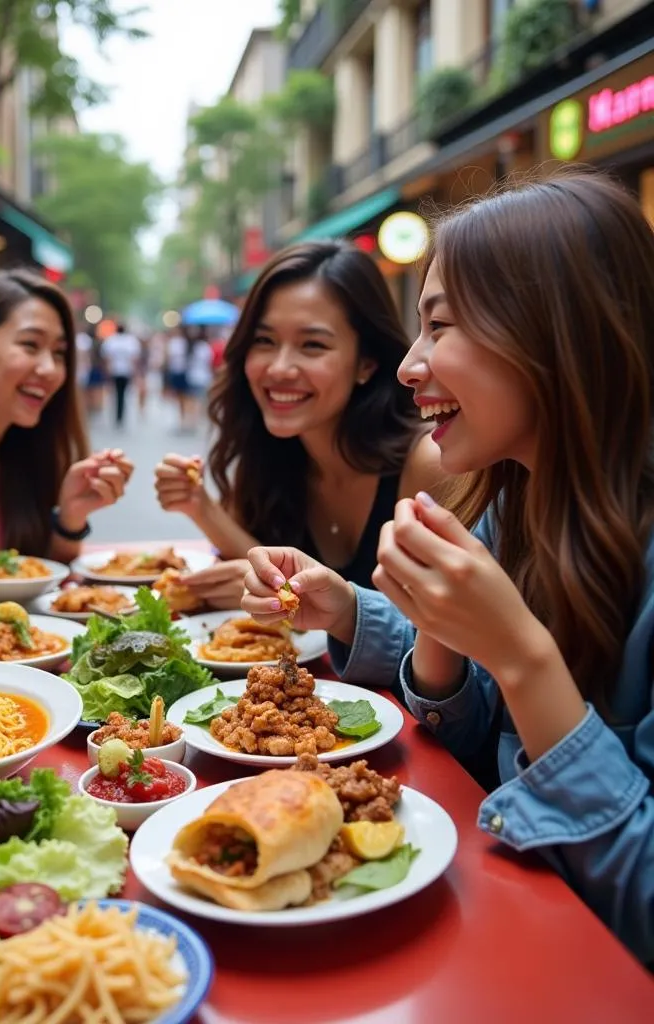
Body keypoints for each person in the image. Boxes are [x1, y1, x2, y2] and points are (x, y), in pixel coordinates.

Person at [242, 171, 654, 965]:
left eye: (440, 326)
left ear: (555, 334)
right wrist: (359, 610)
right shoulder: (519, 497)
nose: (409, 365)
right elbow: (466, 737)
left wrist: (522, 658)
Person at [155, 240, 443, 608]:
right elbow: (270, 578)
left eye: (312, 345)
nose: (279, 368)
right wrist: (201, 508)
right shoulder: (270, 454)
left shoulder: (428, 465)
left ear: (366, 363)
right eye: (264, 341)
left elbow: (440, 638)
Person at [0, 270, 133, 620]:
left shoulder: (26, 459)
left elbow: (48, 592)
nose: (50, 369)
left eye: (60, 353)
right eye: (30, 345)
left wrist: (70, 518)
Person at [101, 322, 141, 428]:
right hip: (125, 371)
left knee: (117, 394)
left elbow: (107, 358)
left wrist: (107, 370)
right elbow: (134, 359)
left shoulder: (111, 340)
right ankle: (120, 415)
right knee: (122, 394)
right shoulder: (131, 341)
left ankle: (118, 415)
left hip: (116, 371)